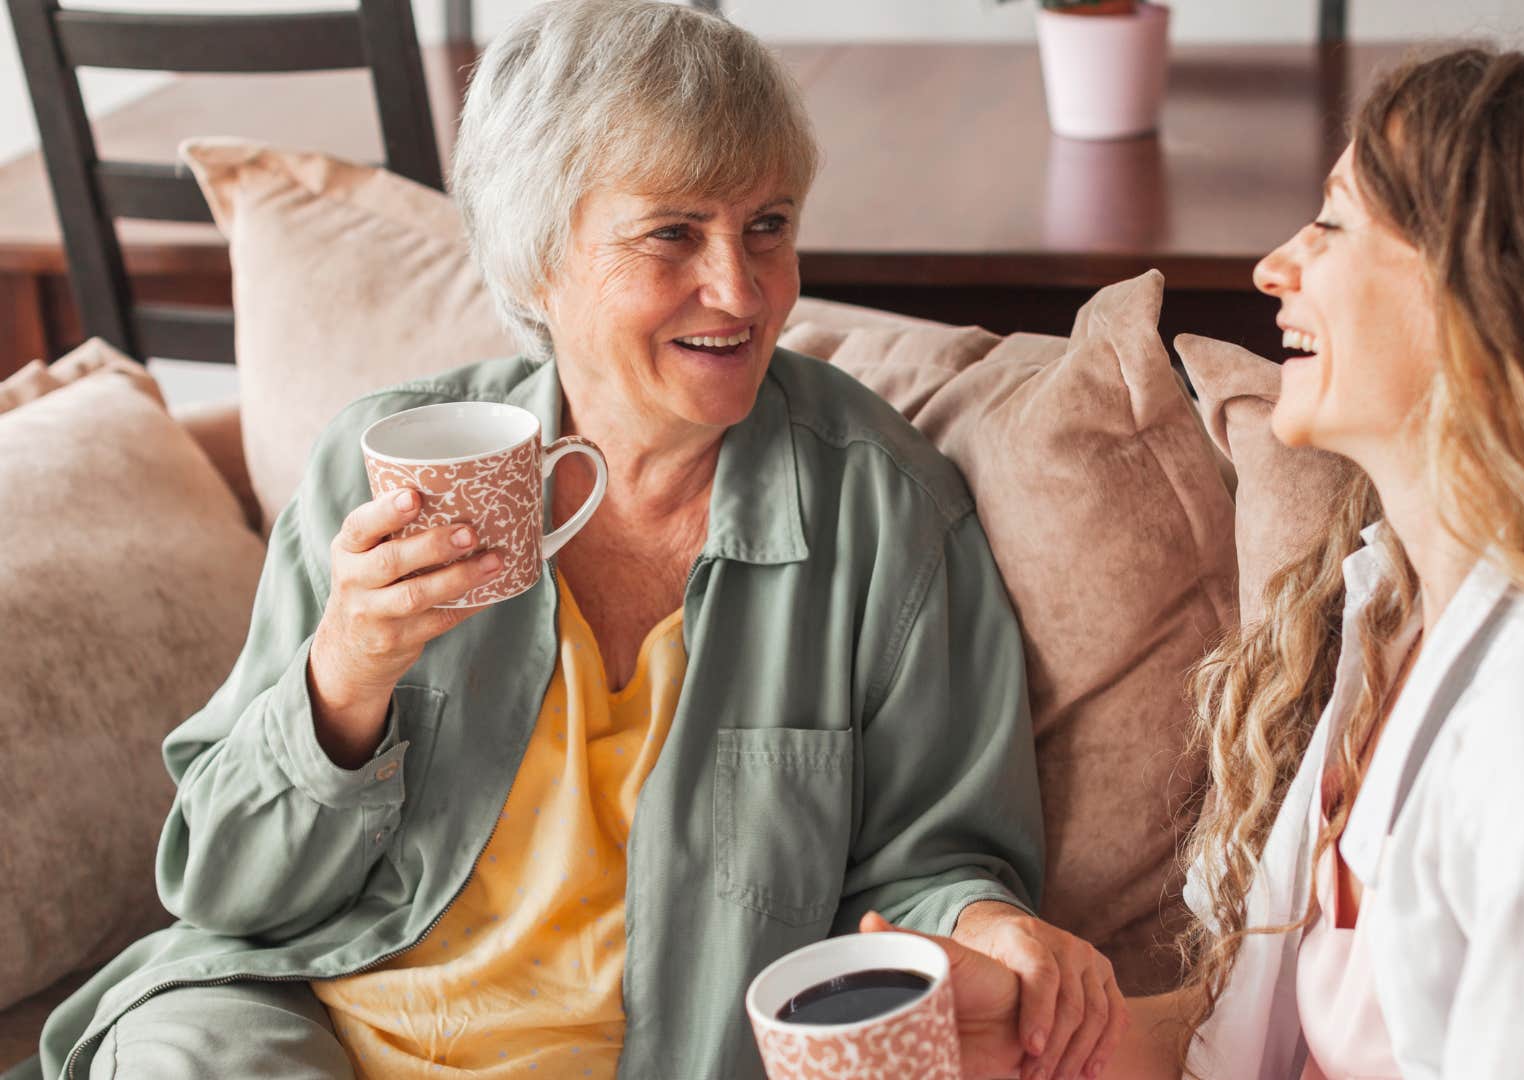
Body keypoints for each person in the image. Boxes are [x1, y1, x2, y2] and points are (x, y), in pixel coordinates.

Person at [30, 3, 1125, 1078]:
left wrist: (993, 928)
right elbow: (222, 889)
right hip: (301, 1018)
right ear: (538, 257)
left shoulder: (882, 514)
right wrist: (347, 676)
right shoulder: (377, 468)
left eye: (767, 226)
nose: (738, 291)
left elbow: (933, 861)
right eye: (672, 233)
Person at [905, 46, 1524, 1080]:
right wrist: (1037, 1040)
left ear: (1497, 303)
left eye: (1334, 223)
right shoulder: (1391, 613)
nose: (1274, 268)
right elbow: (1256, 1052)